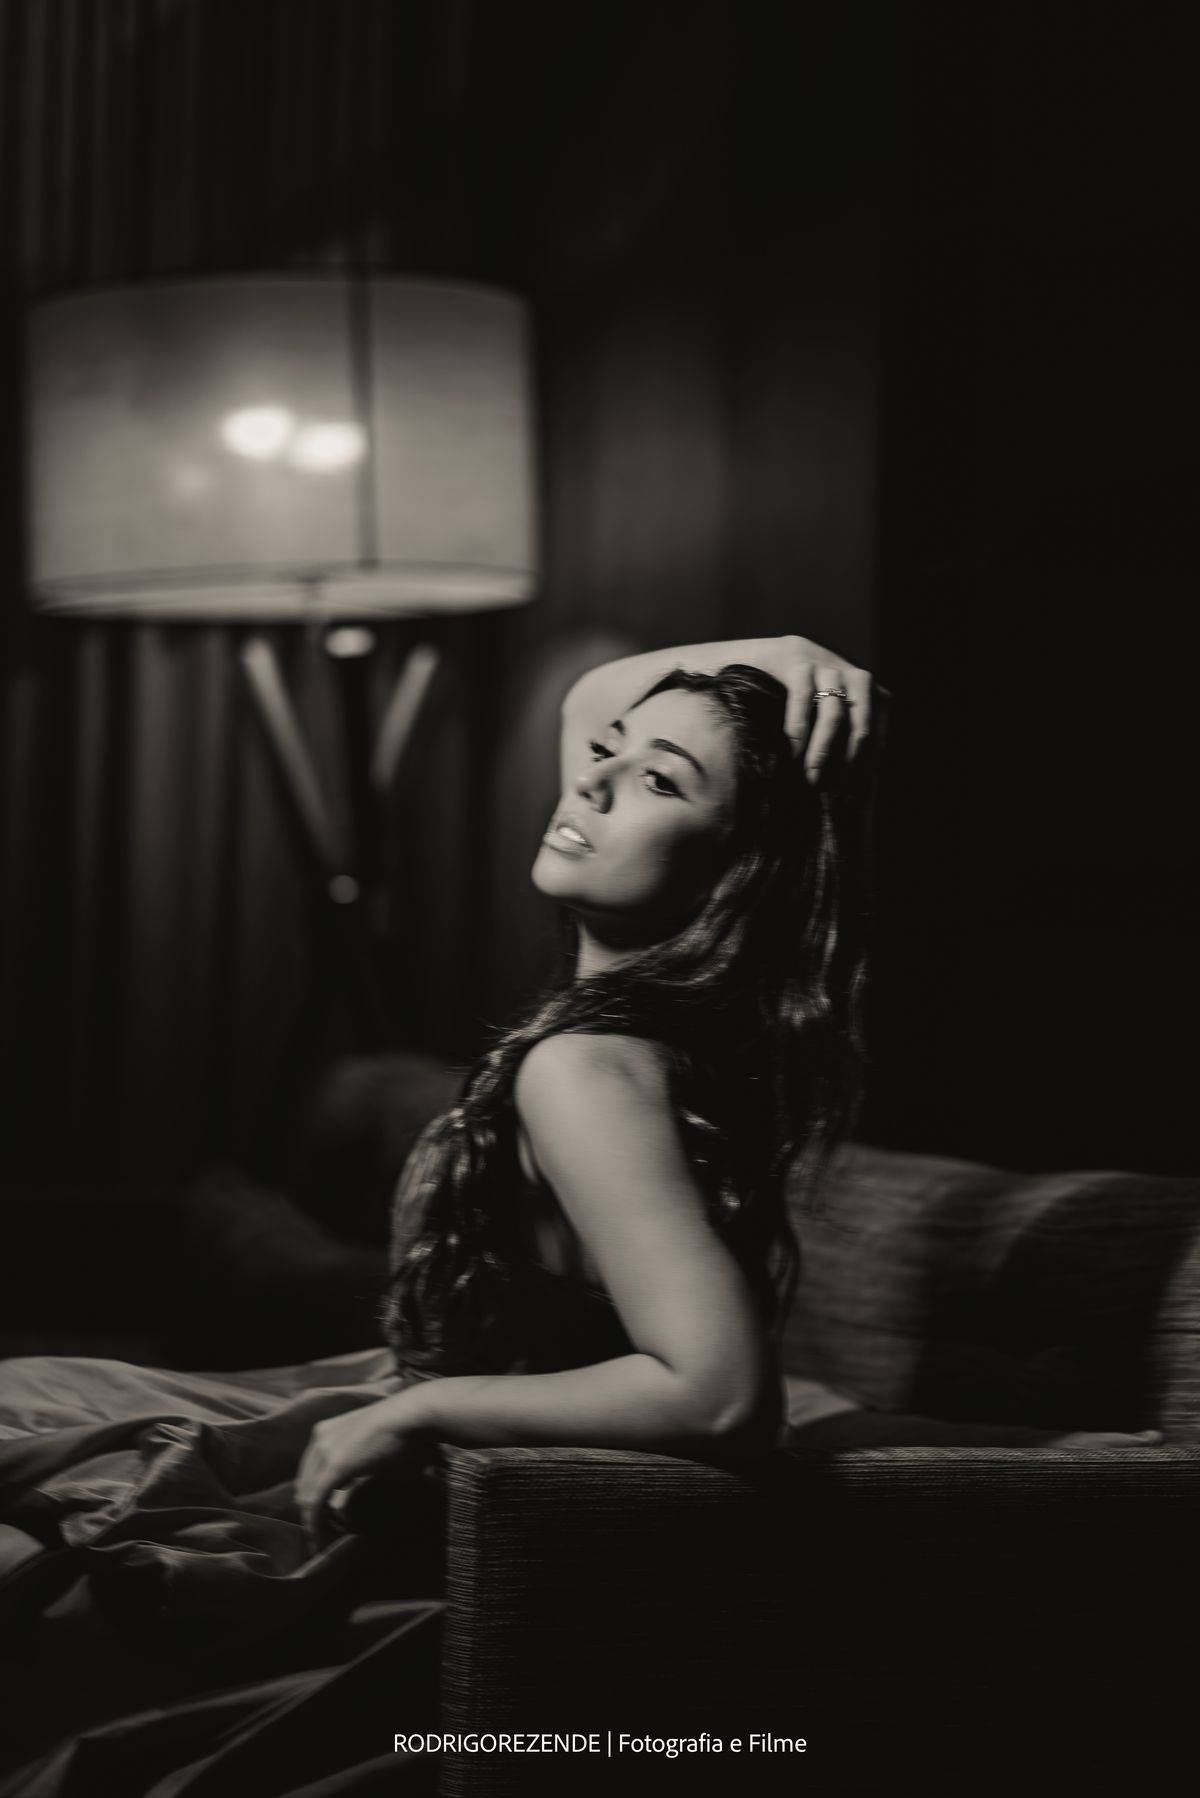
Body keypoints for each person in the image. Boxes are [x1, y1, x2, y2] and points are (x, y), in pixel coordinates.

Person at [0, 634, 1156, 1795]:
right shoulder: (648, 1021)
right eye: (606, 753)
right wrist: (783, 653)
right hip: (430, 1435)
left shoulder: (588, 1069)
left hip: (474, 1495)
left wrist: (424, 1407)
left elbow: (721, 1391)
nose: (593, 778)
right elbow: (593, 698)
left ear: (735, 869)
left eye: (657, 779)